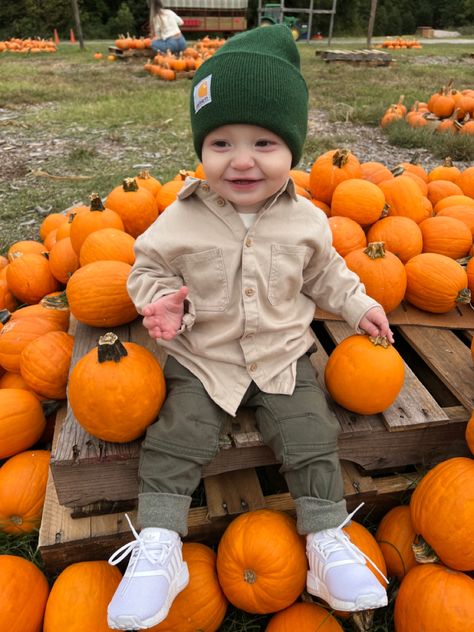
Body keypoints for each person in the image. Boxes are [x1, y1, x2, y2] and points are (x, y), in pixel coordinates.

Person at [107, 24, 393, 631]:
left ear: (292, 148)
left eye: (264, 142)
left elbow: (329, 274)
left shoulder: (308, 221)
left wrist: (359, 304)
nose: (241, 160)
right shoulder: (177, 219)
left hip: (282, 355)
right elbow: (147, 270)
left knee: (311, 432)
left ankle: (324, 538)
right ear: (201, 149)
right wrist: (161, 302)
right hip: (203, 357)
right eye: (221, 143)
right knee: (175, 435)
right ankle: (159, 544)